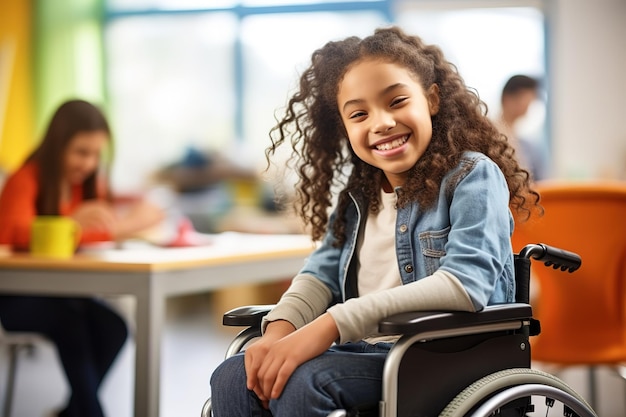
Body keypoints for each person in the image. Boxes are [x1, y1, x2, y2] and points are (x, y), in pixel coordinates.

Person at [209, 26, 541, 417]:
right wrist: (278, 335)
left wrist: (330, 325)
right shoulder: (358, 195)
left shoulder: (472, 176)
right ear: (344, 128)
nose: (381, 122)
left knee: (305, 382)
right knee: (235, 375)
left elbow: (465, 285)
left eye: (397, 101)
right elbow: (320, 275)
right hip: (365, 352)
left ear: (431, 99)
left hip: (440, 358)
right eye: (359, 114)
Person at [0, 99, 164, 417]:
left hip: (66, 295)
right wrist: (74, 222)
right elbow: (13, 233)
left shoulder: (87, 186)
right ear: (57, 145)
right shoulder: (26, 178)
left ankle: (73, 412)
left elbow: (100, 230)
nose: (88, 163)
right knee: (71, 320)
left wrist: (108, 226)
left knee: (114, 327)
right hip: (16, 297)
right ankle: (90, 413)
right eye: (80, 152)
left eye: (95, 154)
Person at [495, 74, 548, 181]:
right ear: (508, 98)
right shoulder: (495, 133)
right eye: (527, 98)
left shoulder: (521, 139)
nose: (529, 104)